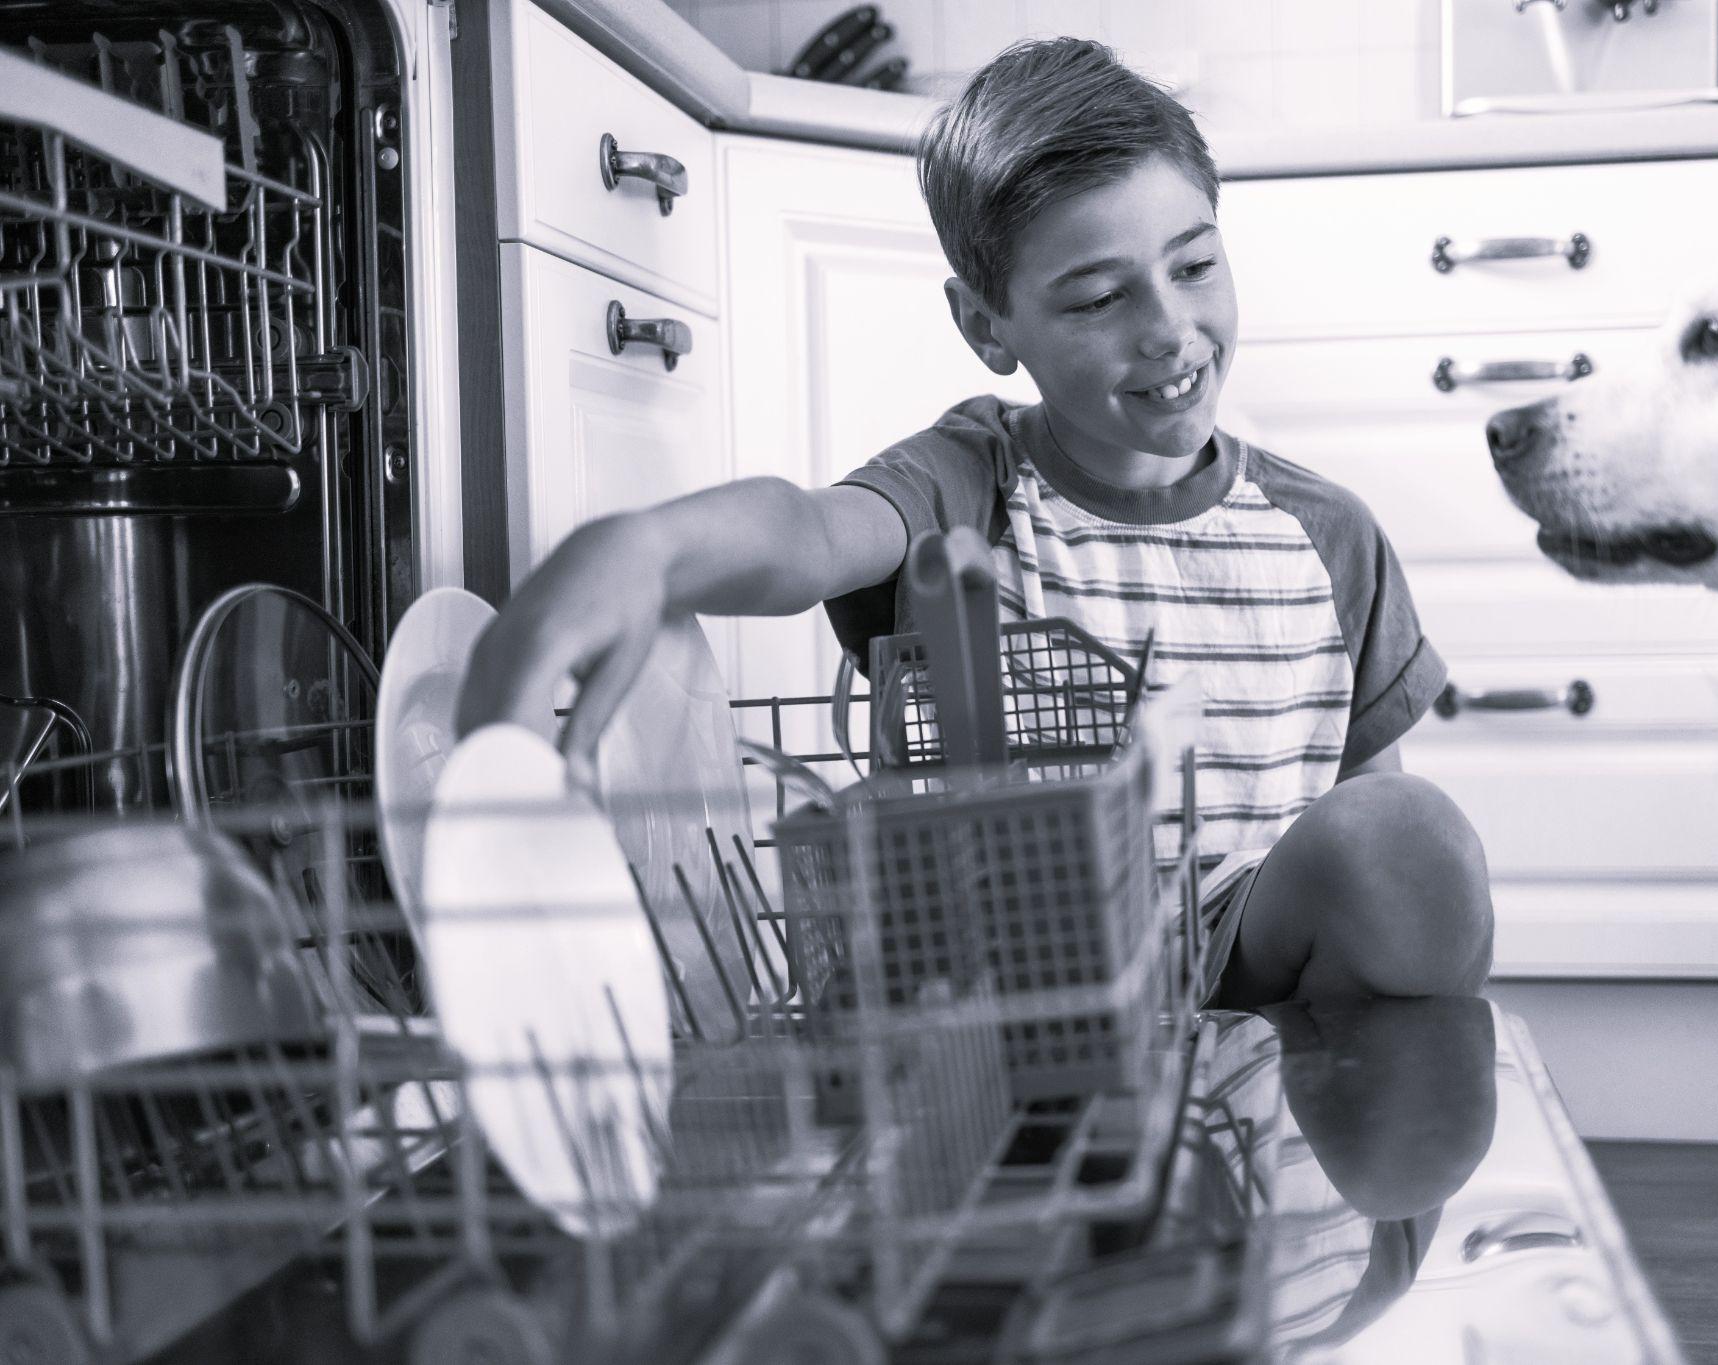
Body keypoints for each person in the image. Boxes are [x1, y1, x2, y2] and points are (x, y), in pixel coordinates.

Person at [456, 37, 1492, 1007]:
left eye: (1192, 266)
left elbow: (1367, 840)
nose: (1168, 330)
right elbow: (806, 532)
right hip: (1004, 996)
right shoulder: (970, 481)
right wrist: (643, 549)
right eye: (1096, 299)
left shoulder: (1326, 536)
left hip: (1240, 970)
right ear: (985, 327)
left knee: (1412, 843)